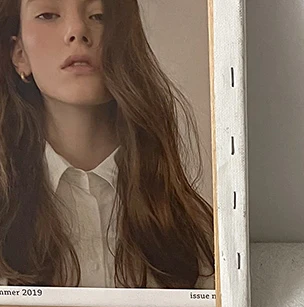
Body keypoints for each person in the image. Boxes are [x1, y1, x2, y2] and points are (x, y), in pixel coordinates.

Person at [0, 0, 215, 288]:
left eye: (98, 16)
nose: (77, 30)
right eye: (48, 15)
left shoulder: (194, 229)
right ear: (19, 54)